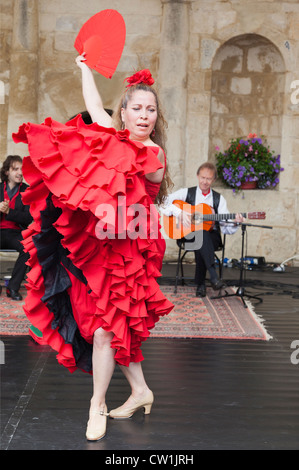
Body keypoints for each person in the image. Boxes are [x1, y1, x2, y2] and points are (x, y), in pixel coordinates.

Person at [12, 59, 174, 442]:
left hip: (130, 252)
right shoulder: (114, 138)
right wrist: (84, 68)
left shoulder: (153, 155)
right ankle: (140, 391)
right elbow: (96, 108)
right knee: (116, 328)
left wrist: (105, 141)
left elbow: (131, 181)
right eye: (136, 108)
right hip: (100, 246)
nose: (144, 115)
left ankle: (96, 405)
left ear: (156, 116)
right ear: (125, 111)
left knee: (105, 331)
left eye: (150, 110)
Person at [161, 162, 244, 297]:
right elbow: (163, 202)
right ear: (197, 176)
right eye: (202, 177)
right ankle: (212, 277)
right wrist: (179, 213)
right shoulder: (186, 192)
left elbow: (226, 227)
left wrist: (235, 223)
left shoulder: (218, 199)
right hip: (187, 235)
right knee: (201, 235)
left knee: (203, 236)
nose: (205, 182)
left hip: (212, 237)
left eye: (208, 178)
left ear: (213, 180)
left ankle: (202, 283)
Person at [0, 155, 32, 300]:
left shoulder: (27, 191)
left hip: (15, 233)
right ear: (7, 172)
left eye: (22, 169)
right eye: (15, 169)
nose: (20, 172)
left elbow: (28, 218)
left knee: (28, 248)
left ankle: (12, 288)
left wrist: (9, 212)